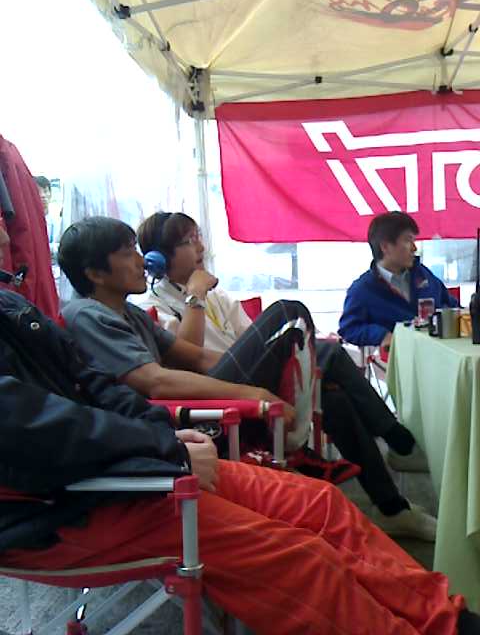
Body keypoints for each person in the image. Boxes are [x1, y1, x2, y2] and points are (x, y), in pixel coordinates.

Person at [0, 226, 479, 635]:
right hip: (67, 499)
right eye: (186, 242)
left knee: (321, 501)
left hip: (134, 453)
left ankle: (446, 618)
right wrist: (231, 394)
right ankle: (390, 449)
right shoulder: (92, 313)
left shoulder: (24, 308)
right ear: (95, 272)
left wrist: (167, 429)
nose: (8, 235)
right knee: (296, 554)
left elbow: (103, 387)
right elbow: (134, 389)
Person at [60, 215, 436, 541]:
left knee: (332, 392)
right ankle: (378, 442)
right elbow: (156, 381)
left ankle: (391, 506)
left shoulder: (128, 314)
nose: (140, 260)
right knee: (288, 312)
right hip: (186, 426)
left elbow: (200, 356)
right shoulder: (89, 315)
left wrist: (268, 371)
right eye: (128, 252)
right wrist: (252, 391)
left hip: (212, 397)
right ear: (95, 273)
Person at [339, 212, 459, 350]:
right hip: (400, 356)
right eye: (408, 240)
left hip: (439, 350)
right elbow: (349, 329)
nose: (414, 248)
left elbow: (451, 305)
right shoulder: (363, 289)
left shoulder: (423, 274)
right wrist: (382, 336)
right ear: (385, 247)